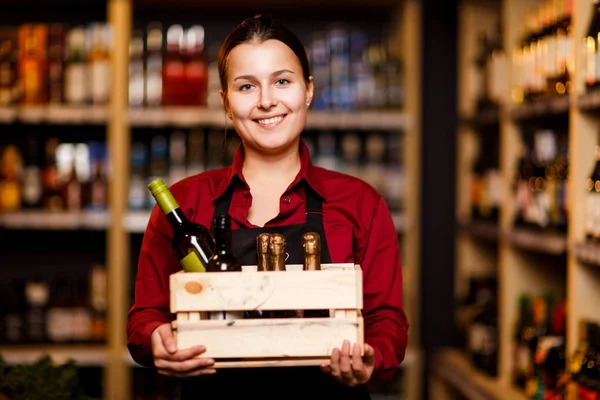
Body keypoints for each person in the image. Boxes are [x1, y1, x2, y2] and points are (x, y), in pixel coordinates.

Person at [126, 14, 409, 399]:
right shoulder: (184, 204)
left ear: (308, 89)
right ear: (226, 103)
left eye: (282, 81)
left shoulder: (360, 203)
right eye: (246, 86)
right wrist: (155, 340)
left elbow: (386, 321)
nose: (266, 100)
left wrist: (371, 358)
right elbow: (146, 316)